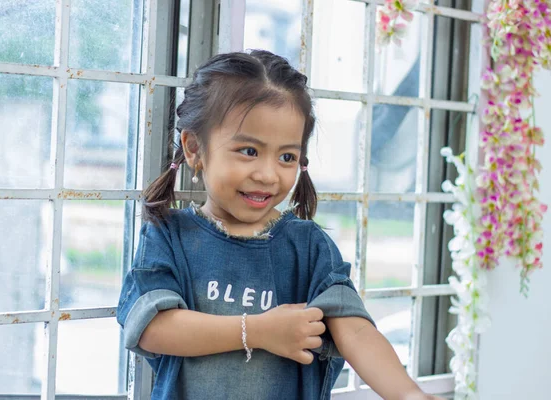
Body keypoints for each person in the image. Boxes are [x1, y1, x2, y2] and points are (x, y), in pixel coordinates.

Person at [117, 50, 444, 400]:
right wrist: (257, 331)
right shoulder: (169, 235)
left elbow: (356, 331)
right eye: (248, 151)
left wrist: (409, 394)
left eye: (286, 157)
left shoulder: (308, 246)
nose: (268, 174)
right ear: (195, 148)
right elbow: (152, 327)